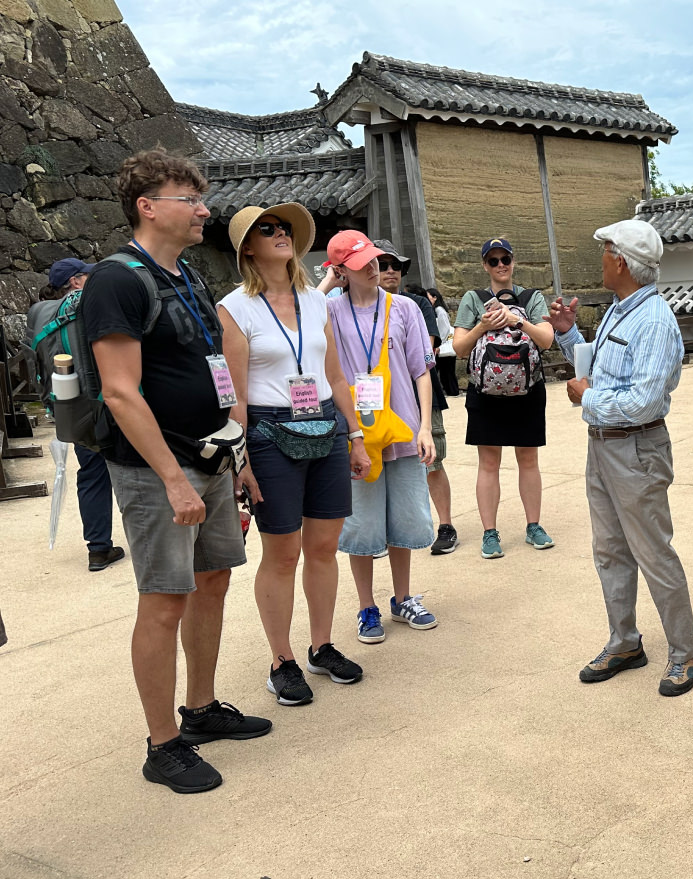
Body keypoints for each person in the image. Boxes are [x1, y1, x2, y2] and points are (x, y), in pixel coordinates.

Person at [84, 148, 270, 794]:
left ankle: (200, 708)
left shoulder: (184, 276)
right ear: (147, 206)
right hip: (156, 466)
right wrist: (169, 477)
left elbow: (214, 376)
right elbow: (120, 391)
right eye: (189, 198)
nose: (203, 209)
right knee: (164, 599)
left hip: (212, 457)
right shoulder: (117, 280)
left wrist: (237, 460)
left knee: (212, 579)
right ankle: (161, 743)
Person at [217, 204, 372, 706]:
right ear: (248, 248)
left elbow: (336, 376)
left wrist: (355, 435)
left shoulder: (315, 301)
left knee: (325, 545)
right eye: (268, 229)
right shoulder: (235, 307)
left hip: (325, 424)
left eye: (284, 228)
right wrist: (238, 459)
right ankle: (281, 659)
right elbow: (234, 394)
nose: (280, 234)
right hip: (267, 431)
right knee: (282, 552)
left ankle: (322, 645)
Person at [547, 220, 693, 697]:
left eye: (605, 251)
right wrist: (571, 336)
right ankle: (625, 642)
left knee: (653, 552)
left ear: (621, 262)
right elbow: (601, 365)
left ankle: (686, 652)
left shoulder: (654, 319)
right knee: (610, 550)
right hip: (605, 446)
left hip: (636, 446)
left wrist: (586, 399)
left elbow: (644, 402)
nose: (600, 259)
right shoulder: (622, 309)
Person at [324, 231, 439, 641]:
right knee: (361, 524)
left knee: (404, 518)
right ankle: (366, 605)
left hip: (403, 427)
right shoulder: (330, 312)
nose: (374, 268)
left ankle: (403, 597)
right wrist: (329, 280)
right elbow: (304, 309)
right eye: (361, 264)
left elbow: (421, 371)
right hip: (357, 434)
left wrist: (425, 426)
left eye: (375, 260)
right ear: (341, 271)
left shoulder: (404, 307)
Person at [452, 237, 557, 559]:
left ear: (513, 262)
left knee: (528, 459)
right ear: (485, 265)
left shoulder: (531, 298)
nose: (501, 266)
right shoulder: (474, 299)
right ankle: (489, 532)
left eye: (505, 259)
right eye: (494, 260)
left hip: (527, 389)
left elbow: (547, 340)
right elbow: (458, 348)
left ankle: (533, 525)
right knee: (489, 463)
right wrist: (482, 326)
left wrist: (517, 320)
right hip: (486, 391)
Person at [27, 257, 126, 571]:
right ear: (75, 281)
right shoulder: (87, 305)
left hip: (73, 408)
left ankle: (98, 549)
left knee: (92, 474)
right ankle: (156, 539)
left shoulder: (42, 315)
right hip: (113, 401)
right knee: (135, 469)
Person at [375, 243, 458, 556]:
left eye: (395, 265)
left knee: (432, 460)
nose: (390, 271)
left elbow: (427, 348)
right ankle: (385, 531)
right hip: (381, 400)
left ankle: (446, 525)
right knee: (382, 463)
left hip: (423, 397)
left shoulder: (416, 303)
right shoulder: (356, 307)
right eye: (383, 265)